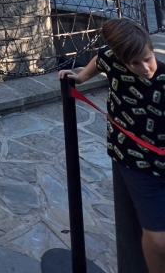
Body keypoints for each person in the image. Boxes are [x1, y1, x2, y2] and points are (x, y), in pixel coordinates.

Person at [59, 19, 165, 273]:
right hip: (133, 158)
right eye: (134, 63)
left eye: (147, 59)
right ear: (121, 58)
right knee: (160, 240)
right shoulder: (113, 58)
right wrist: (81, 76)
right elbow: (101, 58)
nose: (144, 68)